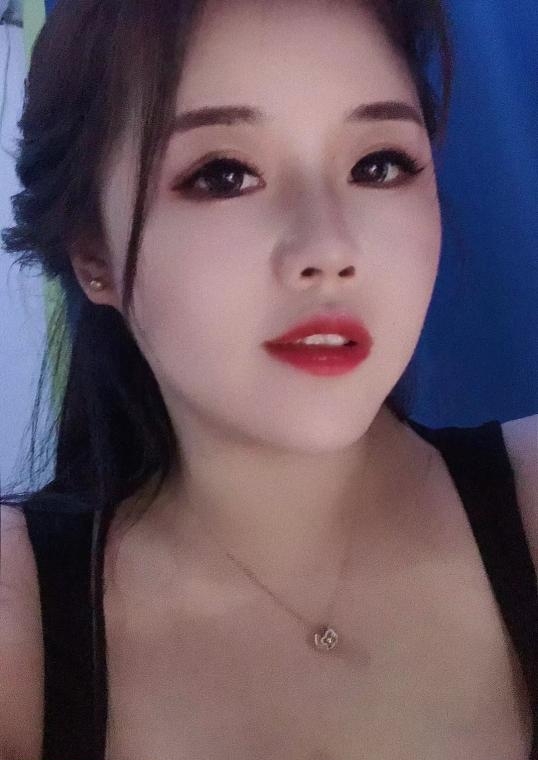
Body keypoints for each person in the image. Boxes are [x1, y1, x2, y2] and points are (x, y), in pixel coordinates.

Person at [1, 0, 537, 758]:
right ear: (94, 255)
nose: (328, 248)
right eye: (224, 175)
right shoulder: (20, 621)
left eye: (378, 165)